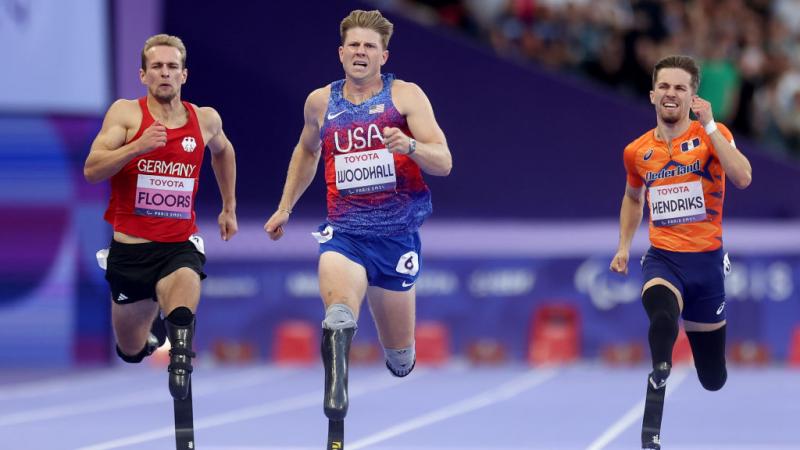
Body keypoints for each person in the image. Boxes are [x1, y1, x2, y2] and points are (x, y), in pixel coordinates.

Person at [264, 9, 452, 428]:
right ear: (341, 52)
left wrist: (409, 146)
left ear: (384, 56)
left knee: (400, 358)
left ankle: (398, 354)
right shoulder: (320, 102)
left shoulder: (405, 97)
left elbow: (444, 161)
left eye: (370, 46)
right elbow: (307, 151)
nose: (361, 52)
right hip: (344, 234)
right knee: (338, 317)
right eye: (354, 45)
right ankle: (336, 392)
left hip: (396, 238)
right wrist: (285, 207)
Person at [84, 34, 237, 401]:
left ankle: (181, 359)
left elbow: (224, 152)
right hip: (130, 252)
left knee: (183, 304)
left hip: (177, 246)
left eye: (172, 67)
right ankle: (150, 337)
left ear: (184, 75)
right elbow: (92, 169)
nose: (164, 73)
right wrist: (137, 146)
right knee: (131, 350)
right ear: (143, 75)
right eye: (157, 67)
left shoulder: (205, 119)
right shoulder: (126, 114)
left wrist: (228, 206)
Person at [610, 55, 752, 449]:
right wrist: (623, 246)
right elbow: (632, 198)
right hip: (663, 258)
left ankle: (681, 359)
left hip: (706, 265)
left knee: (713, 378)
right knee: (660, 310)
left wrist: (709, 126)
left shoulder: (713, 133)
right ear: (653, 94)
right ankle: (660, 370)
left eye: (680, 88)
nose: (671, 94)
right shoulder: (637, 151)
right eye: (665, 87)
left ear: (693, 96)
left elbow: (742, 177)